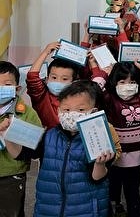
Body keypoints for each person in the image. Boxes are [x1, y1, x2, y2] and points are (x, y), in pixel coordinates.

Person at [4, 80, 121, 217]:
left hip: (86, 210)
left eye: (80, 110)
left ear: (93, 111)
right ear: (59, 110)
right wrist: (7, 136)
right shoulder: (48, 135)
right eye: (66, 109)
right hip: (48, 210)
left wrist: (100, 164)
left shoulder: (98, 138)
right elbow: (20, 154)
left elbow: (97, 178)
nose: (72, 114)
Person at [89, 60, 140, 217]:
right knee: (112, 189)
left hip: (137, 157)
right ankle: (115, 207)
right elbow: (93, 90)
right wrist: (105, 74)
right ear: (114, 82)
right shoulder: (109, 99)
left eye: (132, 82)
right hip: (115, 156)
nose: (128, 86)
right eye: (122, 82)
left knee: (133, 191)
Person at [0, 61, 42, 217]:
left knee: (11, 211)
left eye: (6, 84)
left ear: (17, 88)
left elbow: (36, 144)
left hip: (12, 175)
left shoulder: (26, 113)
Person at [26, 41, 80, 128]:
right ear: (47, 79)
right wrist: (45, 52)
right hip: (45, 135)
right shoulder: (41, 96)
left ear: (73, 82)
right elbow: (32, 77)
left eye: (64, 79)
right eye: (54, 77)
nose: (58, 82)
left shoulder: (77, 97)